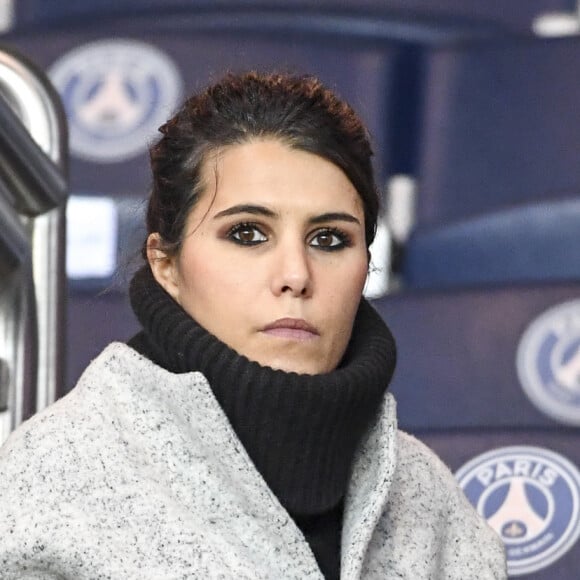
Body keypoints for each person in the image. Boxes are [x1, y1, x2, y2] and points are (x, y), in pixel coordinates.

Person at [0, 71, 506, 579]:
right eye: (247, 233)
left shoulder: (425, 493)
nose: (295, 275)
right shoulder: (51, 483)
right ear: (166, 265)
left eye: (329, 239)